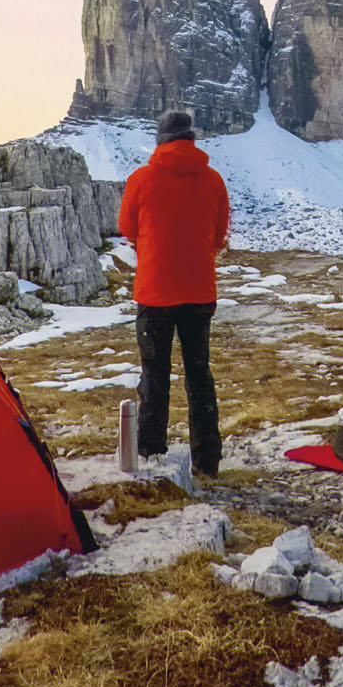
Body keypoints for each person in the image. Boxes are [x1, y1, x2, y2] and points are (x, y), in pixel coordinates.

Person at [118, 108, 230, 476]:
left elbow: (126, 228)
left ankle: (151, 453)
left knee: (154, 373)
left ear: (160, 141)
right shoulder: (213, 180)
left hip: (154, 292)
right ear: (192, 139)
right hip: (200, 293)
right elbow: (218, 236)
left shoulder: (141, 179)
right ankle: (207, 460)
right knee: (199, 374)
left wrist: (151, 248)